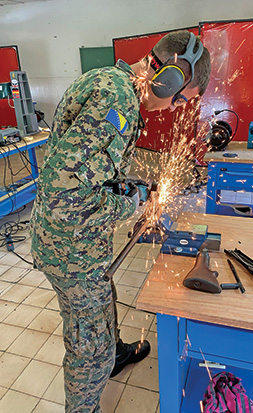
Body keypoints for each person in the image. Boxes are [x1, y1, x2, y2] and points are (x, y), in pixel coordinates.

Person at [29, 29, 211, 412]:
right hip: (70, 250)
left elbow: (91, 173)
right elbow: (67, 197)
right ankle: (87, 397)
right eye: (181, 97)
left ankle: (114, 353)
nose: (178, 107)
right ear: (167, 78)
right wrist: (135, 204)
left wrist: (136, 187)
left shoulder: (110, 82)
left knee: (104, 295)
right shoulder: (116, 102)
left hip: (75, 243)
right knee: (87, 343)